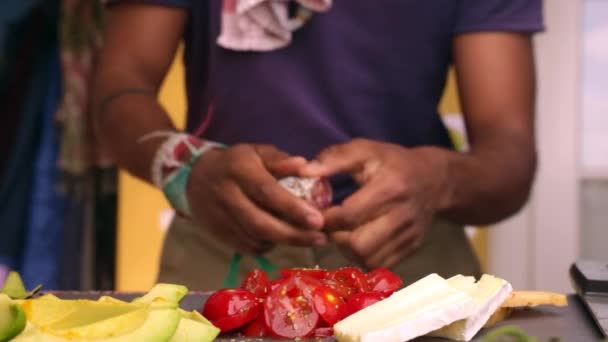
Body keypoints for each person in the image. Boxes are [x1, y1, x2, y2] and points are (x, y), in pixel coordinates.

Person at [93, 0, 543, 289]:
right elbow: (118, 90)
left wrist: (438, 179)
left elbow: (509, 155)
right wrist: (188, 170)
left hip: (408, 255)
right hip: (222, 248)